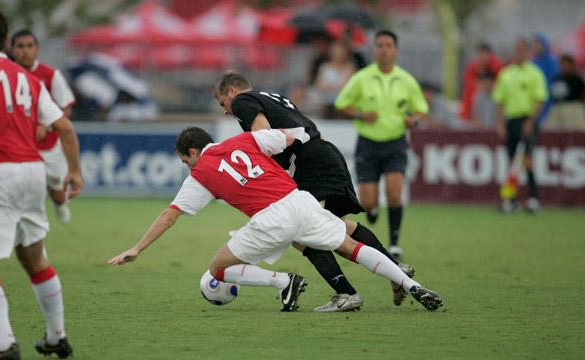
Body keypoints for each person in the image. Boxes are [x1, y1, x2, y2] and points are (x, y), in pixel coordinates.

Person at [108, 127, 443, 314]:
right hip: (299, 199)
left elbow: (170, 215)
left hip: (271, 218)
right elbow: (293, 135)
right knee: (349, 245)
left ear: (193, 153)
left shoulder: (200, 175)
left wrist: (137, 247)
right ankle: (412, 285)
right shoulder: (246, 140)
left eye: (185, 161)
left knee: (218, 268)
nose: (187, 167)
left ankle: (283, 283)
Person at [214, 71, 414, 313]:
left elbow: (264, 136)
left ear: (233, 91)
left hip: (310, 163)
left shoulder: (242, 101)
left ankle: (346, 293)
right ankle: (395, 270)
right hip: (323, 153)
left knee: (303, 232)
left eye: (222, 101)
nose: (226, 109)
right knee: (339, 225)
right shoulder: (274, 97)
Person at [0, 8, 82, 359]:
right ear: (7, 41)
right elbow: (65, 127)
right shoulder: (29, 78)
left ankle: (5, 345)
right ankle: (56, 336)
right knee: (34, 257)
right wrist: (75, 171)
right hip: (33, 173)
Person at [334, 30, 429, 261]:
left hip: (395, 143)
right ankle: (373, 209)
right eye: (380, 45)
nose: (384, 49)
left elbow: (421, 109)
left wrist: (413, 120)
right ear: (374, 50)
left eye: (388, 45)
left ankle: (394, 244)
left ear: (395, 50)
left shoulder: (406, 80)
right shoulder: (362, 78)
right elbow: (341, 103)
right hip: (368, 144)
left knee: (395, 194)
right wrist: (359, 114)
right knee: (367, 202)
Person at [10, 28, 76, 224]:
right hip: (18, 145)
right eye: (20, 46)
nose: (25, 51)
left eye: (29, 46)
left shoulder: (49, 74)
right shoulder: (6, 74)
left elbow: (66, 108)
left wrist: (45, 125)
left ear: (37, 49)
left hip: (49, 145)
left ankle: (59, 203)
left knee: (57, 192)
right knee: (22, 193)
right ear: (12, 49)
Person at [492, 38, 548, 213]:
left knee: (527, 160)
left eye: (522, 49)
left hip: (527, 120)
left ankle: (533, 199)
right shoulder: (506, 73)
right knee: (511, 162)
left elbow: (540, 99)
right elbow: (499, 100)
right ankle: (512, 200)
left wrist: (531, 121)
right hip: (512, 120)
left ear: (527, 51)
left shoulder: (534, 73)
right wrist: (500, 123)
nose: (518, 52)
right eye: (516, 49)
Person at [459, 42, 502, 124]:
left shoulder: (496, 66)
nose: (483, 57)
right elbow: (468, 88)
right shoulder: (473, 67)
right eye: (481, 54)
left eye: (485, 54)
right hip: (474, 110)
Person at [314, 41, 357, 118]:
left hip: (342, 98)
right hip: (326, 98)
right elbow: (320, 85)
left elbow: (348, 87)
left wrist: (330, 87)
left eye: (341, 52)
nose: (338, 54)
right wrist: (337, 87)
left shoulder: (350, 67)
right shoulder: (324, 67)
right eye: (336, 52)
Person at [547, 54, 585, 129]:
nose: (564, 66)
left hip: (573, 107)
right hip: (558, 107)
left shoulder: (577, 79)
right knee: (555, 131)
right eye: (562, 64)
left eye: (566, 64)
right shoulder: (557, 78)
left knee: (576, 130)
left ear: (571, 65)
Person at [532, 33, 559, 128]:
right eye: (535, 44)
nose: (536, 47)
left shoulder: (551, 61)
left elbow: (555, 80)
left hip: (548, 99)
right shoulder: (533, 61)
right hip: (535, 99)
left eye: (538, 44)